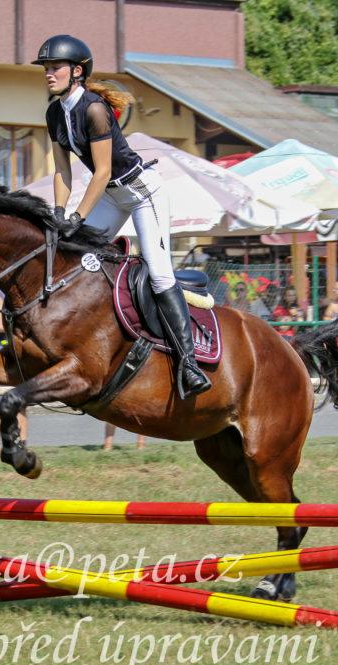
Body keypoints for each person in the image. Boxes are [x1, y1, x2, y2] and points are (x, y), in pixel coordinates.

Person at [32, 34, 211, 399]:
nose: (48, 73)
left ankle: (189, 364)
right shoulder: (54, 113)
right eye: (46, 68)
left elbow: (100, 172)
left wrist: (78, 216)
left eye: (55, 67)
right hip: (112, 197)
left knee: (159, 274)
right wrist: (58, 213)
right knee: (77, 258)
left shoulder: (94, 109)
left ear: (77, 71)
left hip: (142, 193)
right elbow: (63, 170)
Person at [0, 285, 27, 455]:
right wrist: (22, 325)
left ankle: (21, 447)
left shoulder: (16, 290)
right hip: (0, 355)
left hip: (19, 354)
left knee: (21, 404)